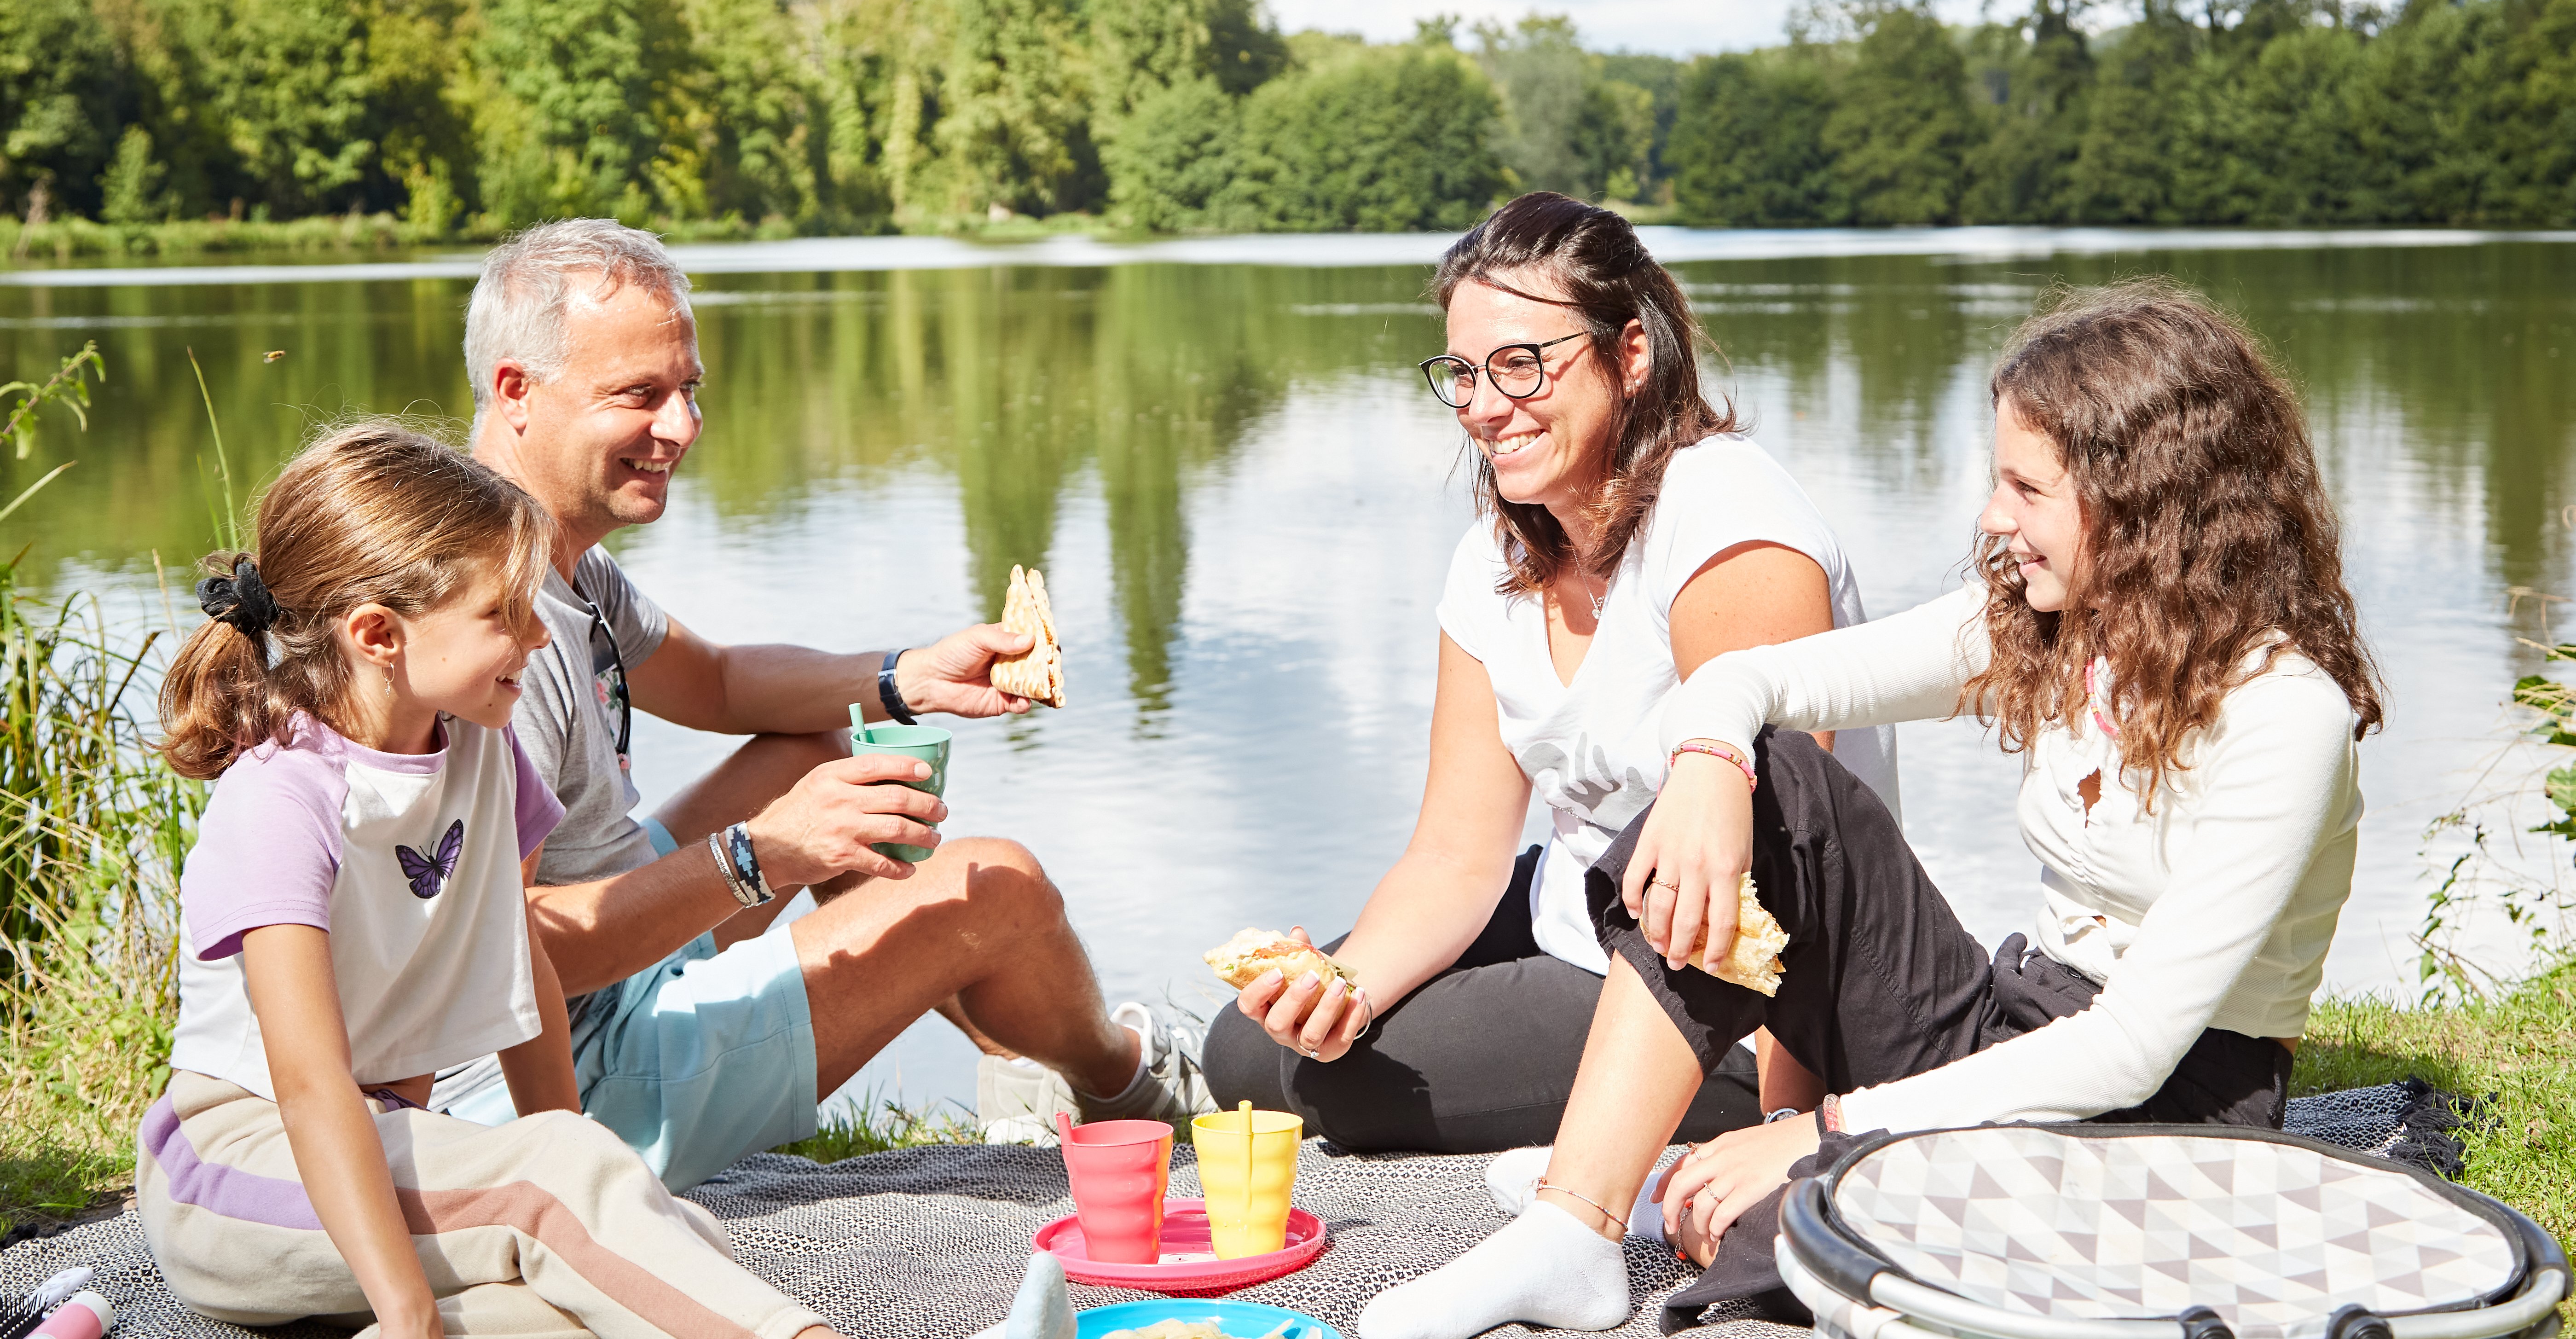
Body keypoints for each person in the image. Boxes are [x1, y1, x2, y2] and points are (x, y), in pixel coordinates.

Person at [1355, 281, 2383, 1339]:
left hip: (2166, 1116)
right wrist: (1712, 762)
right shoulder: (2068, 631)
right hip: (2012, 1018)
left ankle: (1697, 1187)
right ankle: (1579, 1226)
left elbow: (2129, 1049)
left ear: (2147, 501)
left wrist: (1823, 1132)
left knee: (1807, 1226)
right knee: (1781, 784)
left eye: (2026, 490)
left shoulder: (2283, 716)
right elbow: (1752, 683)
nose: (1994, 517)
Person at [426, 220, 1208, 1188]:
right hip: (541, 1089)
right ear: (516, 394)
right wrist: (759, 857)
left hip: (601, 981)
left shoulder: (544, 557)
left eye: (689, 390)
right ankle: (1135, 1092)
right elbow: (502, 953)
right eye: (641, 396)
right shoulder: (485, 636)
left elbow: (714, 682)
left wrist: (905, 676)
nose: (682, 428)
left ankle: (1011, 1062)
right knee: (998, 888)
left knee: (811, 752)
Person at [1203, 192, 1896, 1153]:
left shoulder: (1729, 523)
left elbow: (1778, 883)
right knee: (1252, 1051)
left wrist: (1792, 1130)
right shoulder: (1494, 555)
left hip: (1723, 993)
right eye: (1464, 374)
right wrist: (1348, 987)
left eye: (1522, 365)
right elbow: (1455, 856)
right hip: (1576, 914)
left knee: (1344, 1094)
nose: (1486, 407)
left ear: (1631, 355)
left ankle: (1723, 1105)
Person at [139, 422, 841, 1339]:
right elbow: (310, 1085)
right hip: (241, 1168)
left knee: (627, 1258)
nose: (539, 634)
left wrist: (577, 1153)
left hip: (388, 1150)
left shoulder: (483, 750)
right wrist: (408, 1311)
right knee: (557, 1207)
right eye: (502, 613)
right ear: (378, 634)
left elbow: (525, 968)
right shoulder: (282, 799)